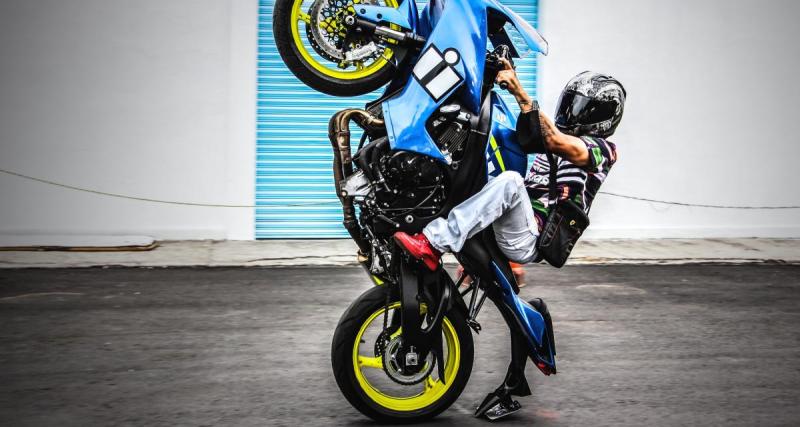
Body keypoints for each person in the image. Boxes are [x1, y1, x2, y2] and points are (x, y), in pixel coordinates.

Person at [393, 61, 626, 272]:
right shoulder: (554, 141)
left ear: (602, 117)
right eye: (571, 102)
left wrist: (518, 89)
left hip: (531, 239)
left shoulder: (603, 151)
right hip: (516, 224)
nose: (571, 111)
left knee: (511, 181)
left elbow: (555, 140)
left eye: (581, 106)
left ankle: (433, 244)